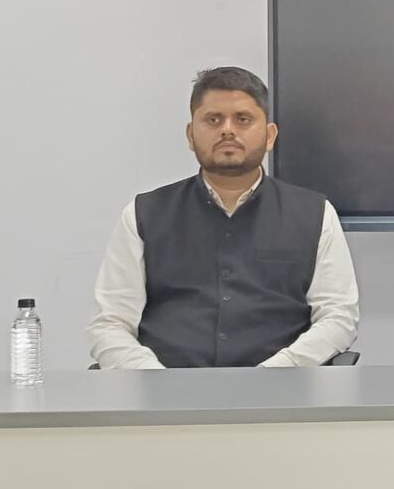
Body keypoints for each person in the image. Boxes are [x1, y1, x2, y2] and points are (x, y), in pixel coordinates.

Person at [88, 66, 359, 368]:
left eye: (243, 119)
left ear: (270, 136)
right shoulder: (143, 215)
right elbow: (111, 324)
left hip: (279, 389)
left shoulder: (315, 214)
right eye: (213, 120)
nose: (227, 130)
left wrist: (278, 372)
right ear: (191, 135)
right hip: (165, 388)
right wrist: (155, 380)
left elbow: (338, 317)